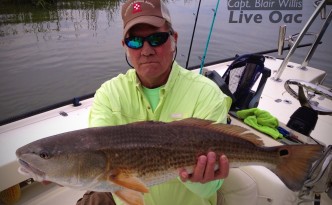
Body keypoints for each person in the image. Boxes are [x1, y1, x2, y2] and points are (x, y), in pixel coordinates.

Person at [76, 0, 232, 204]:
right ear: (125, 46)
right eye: (135, 42)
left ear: (174, 39)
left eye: (156, 38)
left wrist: (200, 178)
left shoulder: (206, 94)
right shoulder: (109, 93)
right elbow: (97, 158)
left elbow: (209, 189)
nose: (146, 50)